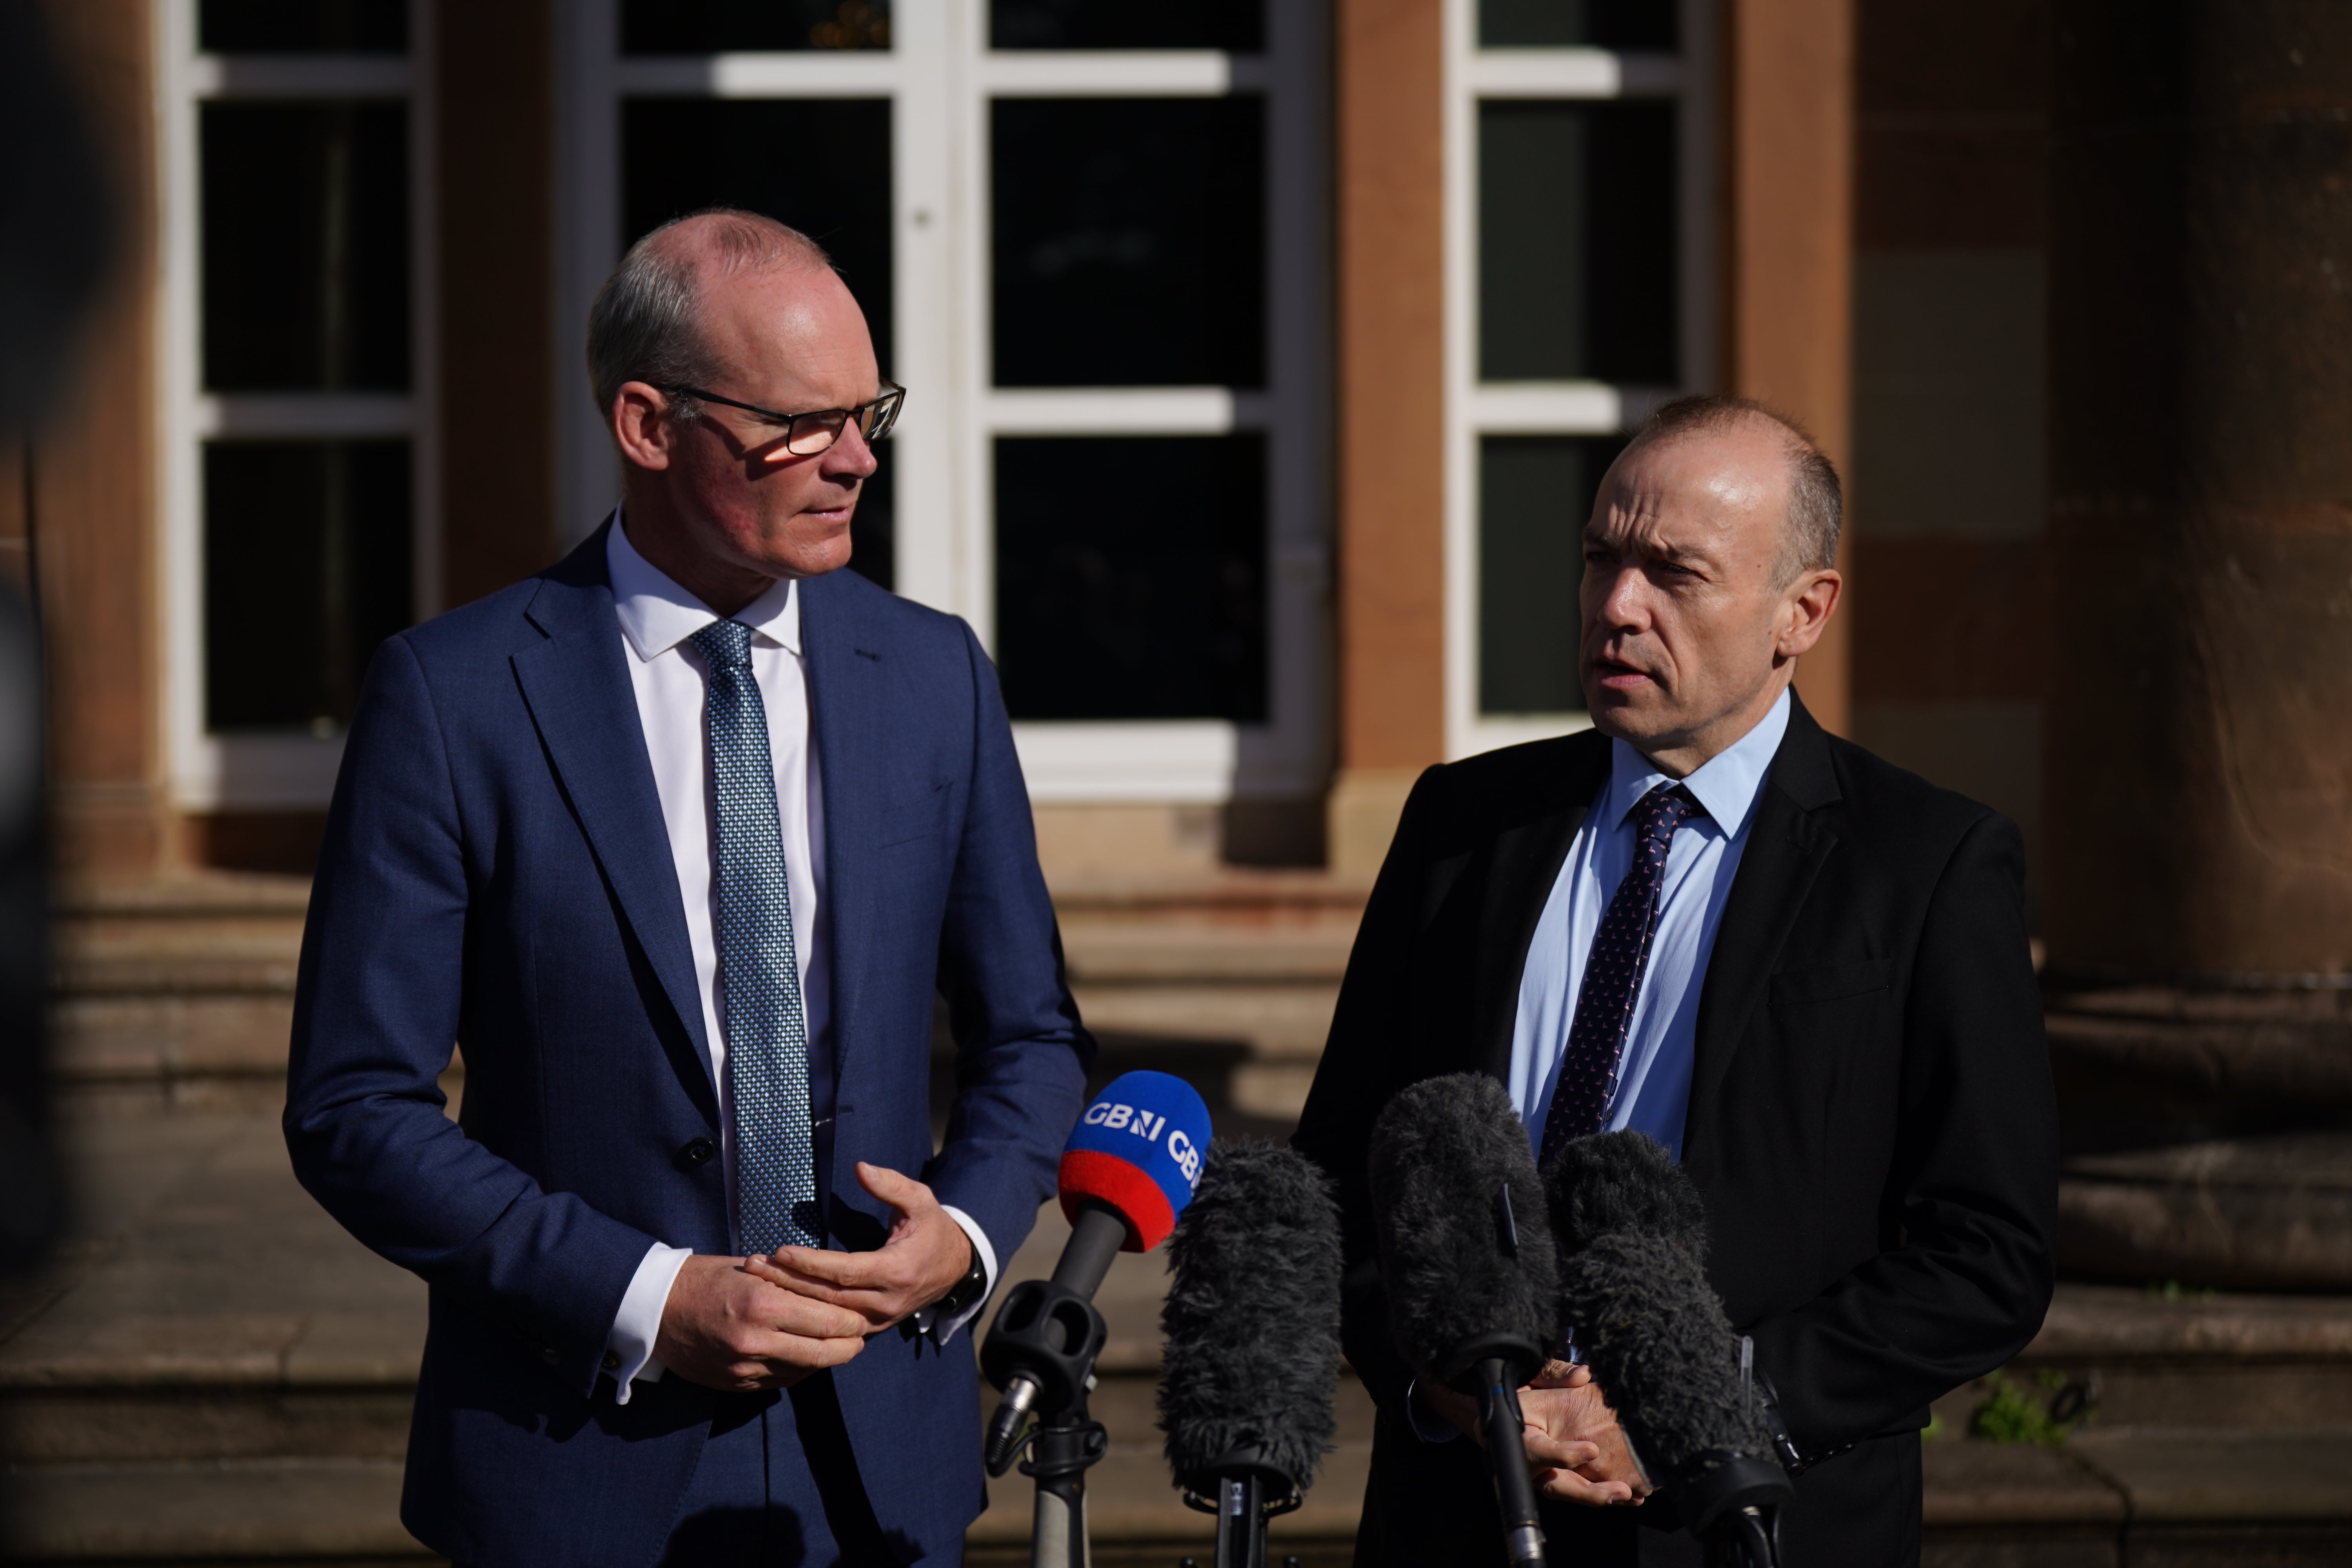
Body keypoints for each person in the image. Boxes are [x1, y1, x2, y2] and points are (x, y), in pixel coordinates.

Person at [285, 209, 1092, 1568]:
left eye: (867, 411)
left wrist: (959, 1234)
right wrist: (647, 1297)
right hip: (573, 1463)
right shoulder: (455, 694)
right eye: (798, 423)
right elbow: (355, 1107)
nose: (855, 459)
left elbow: (1034, 1037)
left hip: (879, 1471)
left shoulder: (936, 673)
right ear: (648, 426)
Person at [1292, 396, 2057, 1565]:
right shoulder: (1465, 826)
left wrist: (1695, 1408)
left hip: (1742, 1523)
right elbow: (1344, 1173)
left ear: (1803, 611)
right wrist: (1448, 1384)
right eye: (1602, 556)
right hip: (1459, 1514)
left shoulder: (1927, 864)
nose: (1615, 606)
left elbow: (1986, 1255)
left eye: (1674, 574)